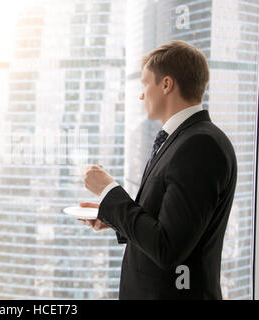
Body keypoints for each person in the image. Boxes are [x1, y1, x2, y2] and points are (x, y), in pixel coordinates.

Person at [78, 40, 237, 300]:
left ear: (166, 84)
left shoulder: (199, 145)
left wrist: (108, 190)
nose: (141, 94)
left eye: (144, 84)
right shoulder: (184, 139)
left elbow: (168, 247)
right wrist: (112, 216)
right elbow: (167, 223)